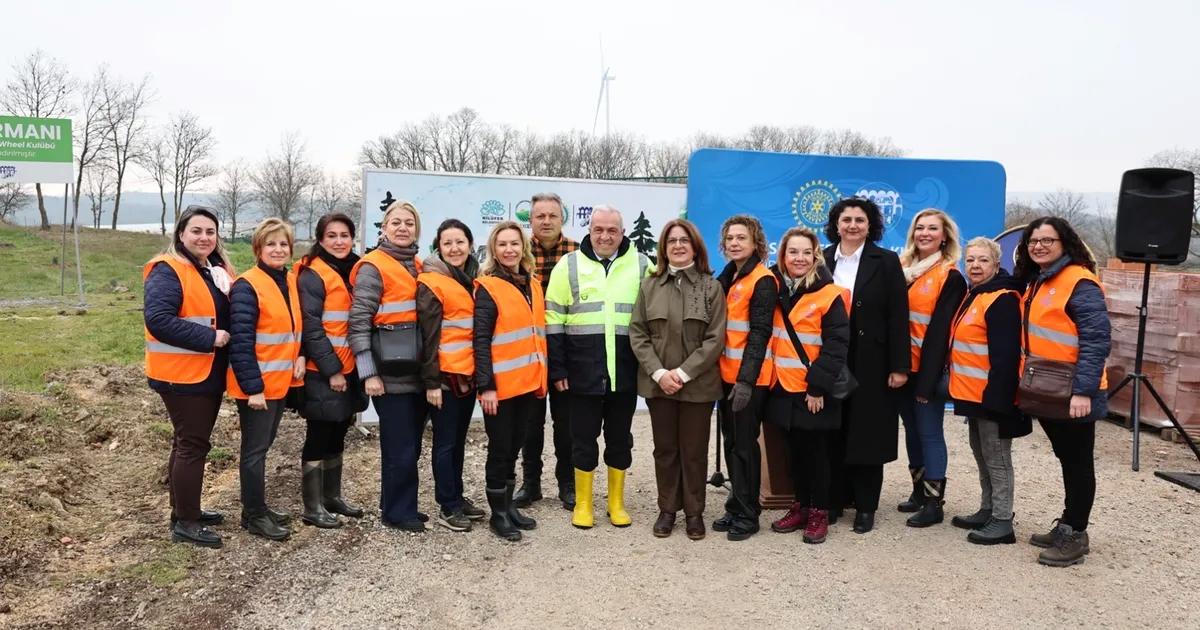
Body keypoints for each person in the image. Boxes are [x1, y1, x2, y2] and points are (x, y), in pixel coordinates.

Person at [547, 205, 655, 529]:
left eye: (612, 230)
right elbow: (553, 320)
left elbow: (653, 319)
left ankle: (616, 503)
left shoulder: (642, 265)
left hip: (625, 372)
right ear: (589, 230)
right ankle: (584, 503)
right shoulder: (568, 266)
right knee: (582, 439)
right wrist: (558, 369)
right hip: (582, 374)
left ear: (622, 233)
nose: (605, 236)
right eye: (599, 230)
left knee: (620, 439)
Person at [1013, 216, 1111, 567]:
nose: (1038, 246)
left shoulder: (1079, 282)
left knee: (1078, 462)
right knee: (1067, 458)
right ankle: (1068, 523)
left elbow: (1096, 341)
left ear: (1064, 243)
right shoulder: (1038, 281)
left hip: (1073, 391)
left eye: (1047, 240)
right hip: (1048, 387)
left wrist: (1083, 392)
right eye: (1033, 241)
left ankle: (1076, 534)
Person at [143, 205, 235, 548]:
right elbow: (159, 320)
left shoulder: (210, 269)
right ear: (181, 234)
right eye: (196, 231)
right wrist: (210, 337)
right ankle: (186, 522)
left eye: (210, 232)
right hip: (183, 376)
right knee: (193, 445)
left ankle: (184, 509)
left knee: (186, 442)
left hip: (202, 372)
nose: (204, 237)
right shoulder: (168, 270)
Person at [628, 219, 726, 540]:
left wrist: (682, 374)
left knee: (694, 451)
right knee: (665, 449)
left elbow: (715, 339)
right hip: (659, 385)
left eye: (685, 240)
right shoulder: (650, 286)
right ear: (664, 248)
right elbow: (638, 333)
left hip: (698, 385)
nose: (679, 246)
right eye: (672, 241)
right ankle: (668, 509)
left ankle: (694, 512)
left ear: (695, 247)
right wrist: (659, 373)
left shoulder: (711, 287)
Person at [822, 197, 908, 534]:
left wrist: (899, 366)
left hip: (872, 360)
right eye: (846, 219)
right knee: (831, 430)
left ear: (870, 226)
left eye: (860, 220)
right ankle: (833, 500)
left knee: (868, 432)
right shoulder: (822, 258)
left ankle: (866, 506)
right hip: (831, 357)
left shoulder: (885, 261)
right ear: (836, 224)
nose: (853, 225)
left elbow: (898, 316)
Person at [766, 228, 851, 545]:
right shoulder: (777, 289)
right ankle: (800, 506)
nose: (799, 258)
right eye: (793, 252)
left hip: (813, 391)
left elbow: (837, 346)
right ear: (782, 256)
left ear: (816, 257)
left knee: (817, 455)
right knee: (795, 454)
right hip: (783, 388)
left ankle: (819, 512)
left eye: (806, 252)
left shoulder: (829, 295)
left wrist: (817, 387)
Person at [348, 201, 428, 532]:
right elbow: (358, 322)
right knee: (400, 447)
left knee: (410, 445)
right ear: (384, 228)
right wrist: (368, 372)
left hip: (416, 371)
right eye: (396, 222)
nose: (402, 228)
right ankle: (398, 513)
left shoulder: (419, 265)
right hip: (388, 372)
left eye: (409, 223)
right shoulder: (373, 266)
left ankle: (396, 503)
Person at [947, 237, 1029, 545]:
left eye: (983, 260)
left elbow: (1005, 356)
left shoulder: (1002, 299)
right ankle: (988, 509)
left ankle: (1003, 520)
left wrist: (998, 398)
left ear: (996, 264)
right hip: (973, 395)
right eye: (970, 260)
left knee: (997, 458)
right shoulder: (977, 295)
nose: (975, 266)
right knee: (981, 453)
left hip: (992, 397)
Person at [228, 218, 305, 541]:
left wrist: (300, 355)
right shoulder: (248, 285)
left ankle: (257, 508)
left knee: (263, 447)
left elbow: (291, 328)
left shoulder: (287, 281)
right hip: (258, 387)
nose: (278, 249)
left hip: (279, 382)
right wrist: (253, 389)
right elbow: (240, 341)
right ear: (258, 248)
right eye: (271, 244)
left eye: (283, 244)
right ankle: (254, 514)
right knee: (255, 451)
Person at [473, 221, 548, 541]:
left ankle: (508, 506)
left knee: (516, 446)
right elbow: (480, 341)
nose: (509, 250)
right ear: (494, 249)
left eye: (514, 244)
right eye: (502, 244)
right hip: (500, 389)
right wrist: (486, 386)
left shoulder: (532, 284)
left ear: (523, 247)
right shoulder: (488, 287)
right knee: (500, 449)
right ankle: (498, 514)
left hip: (528, 384)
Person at [295, 213, 369, 530]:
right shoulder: (314, 274)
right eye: (331, 236)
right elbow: (312, 328)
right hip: (324, 371)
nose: (339, 241)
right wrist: (333, 370)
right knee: (319, 433)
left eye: (344, 235)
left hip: (351, 368)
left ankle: (332, 496)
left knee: (339, 429)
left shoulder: (356, 269)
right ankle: (312, 506)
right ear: (320, 239)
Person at [896, 209, 967, 527]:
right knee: (911, 432)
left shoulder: (950, 277)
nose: (925, 233)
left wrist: (927, 380)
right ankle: (919, 492)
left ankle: (934, 503)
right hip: (903, 368)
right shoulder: (901, 269)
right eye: (920, 227)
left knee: (929, 433)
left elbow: (940, 334)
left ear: (944, 236)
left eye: (932, 229)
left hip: (928, 371)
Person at [417, 219, 487, 532]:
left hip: (466, 377)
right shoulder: (432, 282)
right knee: (445, 443)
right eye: (447, 243)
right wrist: (431, 382)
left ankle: (457, 496)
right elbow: (428, 337)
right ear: (438, 248)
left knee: (458, 441)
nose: (454, 248)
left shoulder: (472, 278)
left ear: (470, 245)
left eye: (460, 242)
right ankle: (447, 505)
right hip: (444, 379)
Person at [714, 215, 778, 541]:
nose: (735, 243)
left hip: (749, 381)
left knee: (744, 446)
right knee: (732, 443)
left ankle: (749, 514)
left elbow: (759, 333)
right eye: (730, 238)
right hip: (726, 376)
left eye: (742, 238)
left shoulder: (762, 280)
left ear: (756, 243)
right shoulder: (729, 277)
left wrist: (746, 381)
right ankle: (736, 503)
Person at [517, 192, 579, 509]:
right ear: (530, 219)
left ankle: (567, 483)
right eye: (539, 216)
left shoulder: (578, 254)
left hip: (567, 350)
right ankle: (530, 484)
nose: (546, 221)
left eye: (552, 215)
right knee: (530, 423)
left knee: (566, 422)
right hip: (528, 351)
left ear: (562, 218)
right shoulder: (517, 252)